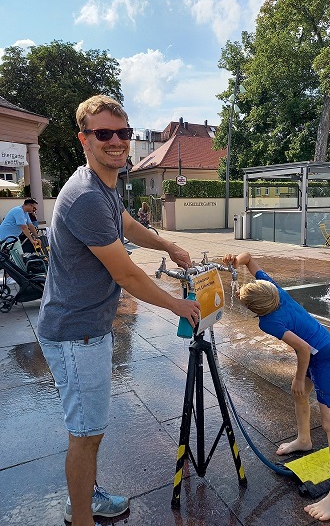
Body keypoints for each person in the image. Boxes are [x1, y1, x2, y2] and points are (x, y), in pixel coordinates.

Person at [37, 95, 200, 526]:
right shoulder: (87, 196)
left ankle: (86, 499)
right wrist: (178, 305)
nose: (116, 141)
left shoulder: (102, 184)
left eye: (123, 133)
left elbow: (126, 223)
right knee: (87, 434)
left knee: (88, 426)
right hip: (78, 334)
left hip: (82, 328)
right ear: (84, 139)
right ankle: (83, 519)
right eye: (103, 133)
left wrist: (167, 244)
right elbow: (127, 276)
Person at [222, 251, 330, 522]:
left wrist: (298, 377)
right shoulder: (275, 290)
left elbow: (303, 349)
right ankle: (304, 440)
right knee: (299, 397)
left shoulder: (269, 321)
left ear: (256, 310)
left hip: (324, 355)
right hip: (318, 347)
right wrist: (236, 260)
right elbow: (248, 258)